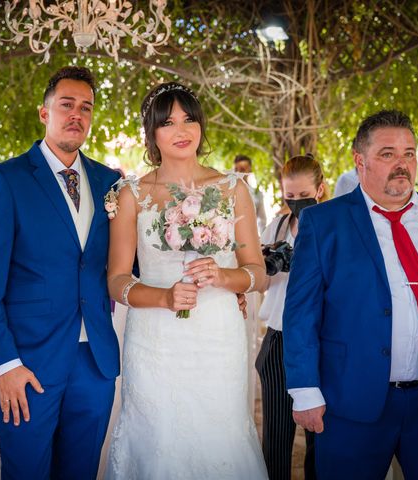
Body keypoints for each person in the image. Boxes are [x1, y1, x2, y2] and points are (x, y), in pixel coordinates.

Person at [105, 82, 268, 478]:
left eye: (189, 119)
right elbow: (116, 280)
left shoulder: (233, 189)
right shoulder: (130, 193)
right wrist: (163, 298)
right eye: (169, 122)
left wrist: (224, 275)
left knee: (219, 434)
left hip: (217, 337)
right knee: (157, 438)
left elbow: (258, 274)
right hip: (154, 340)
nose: (182, 130)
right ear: (152, 133)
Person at [0, 66, 121, 479]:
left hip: (96, 360)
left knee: (81, 470)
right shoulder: (5, 180)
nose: (77, 115)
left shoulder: (111, 183)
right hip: (28, 362)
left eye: (85, 108)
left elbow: (130, 262)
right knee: (27, 471)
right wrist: (5, 365)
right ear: (44, 113)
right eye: (66, 105)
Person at [283, 110, 418, 479]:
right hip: (352, 401)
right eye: (388, 153)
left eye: (409, 153)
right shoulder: (325, 222)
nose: (402, 163)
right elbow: (301, 314)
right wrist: (305, 390)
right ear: (360, 161)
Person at [255, 154, 324, 480]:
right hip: (279, 338)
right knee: (276, 438)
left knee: (319, 438)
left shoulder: (331, 227)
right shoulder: (277, 226)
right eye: (290, 197)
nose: (295, 203)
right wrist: (266, 263)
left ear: (320, 189)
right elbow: (261, 282)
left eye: (303, 196)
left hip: (319, 341)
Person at [234, 154, 268, 233]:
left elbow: (262, 221)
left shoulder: (258, 194)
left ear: (249, 170)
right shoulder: (227, 192)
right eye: (236, 169)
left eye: (242, 169)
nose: (238, 172)